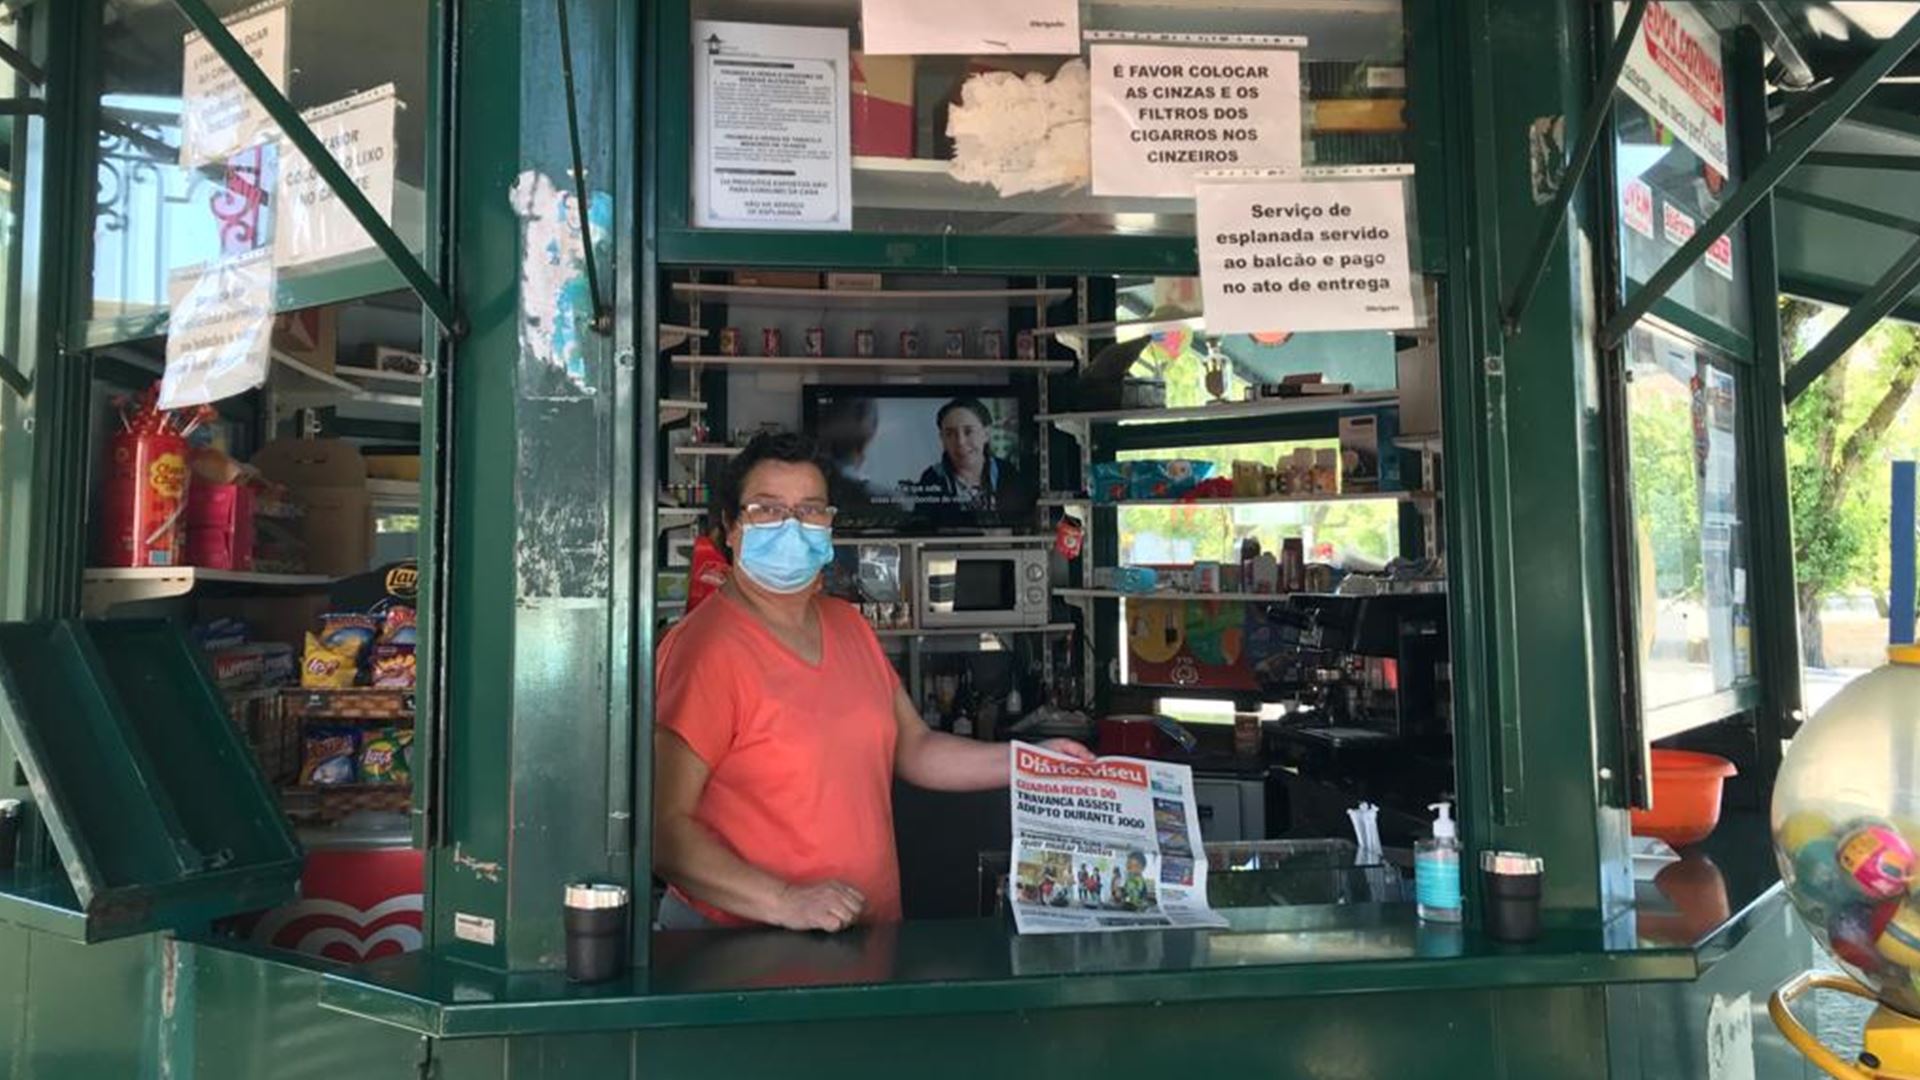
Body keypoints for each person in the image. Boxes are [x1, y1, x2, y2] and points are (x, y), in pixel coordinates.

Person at [653, 431, 1090, 931]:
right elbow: (664, 832)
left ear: (829, 524)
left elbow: (915, 746)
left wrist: (1030, 762)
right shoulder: (705, 649)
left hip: (865, 934)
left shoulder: (847, 625)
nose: (792, 526)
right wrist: (785, 901)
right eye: (768, 510)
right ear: (731, 527)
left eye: (810, 510)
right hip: (747, 948)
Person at [912, 397, 1031, 526]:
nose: (960, 442)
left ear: (986, 434)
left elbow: (1021, 521)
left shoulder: (1008, 472)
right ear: (942, 439)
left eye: (968, 431)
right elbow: (922, 526)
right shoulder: (932, 477)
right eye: (950, 434)